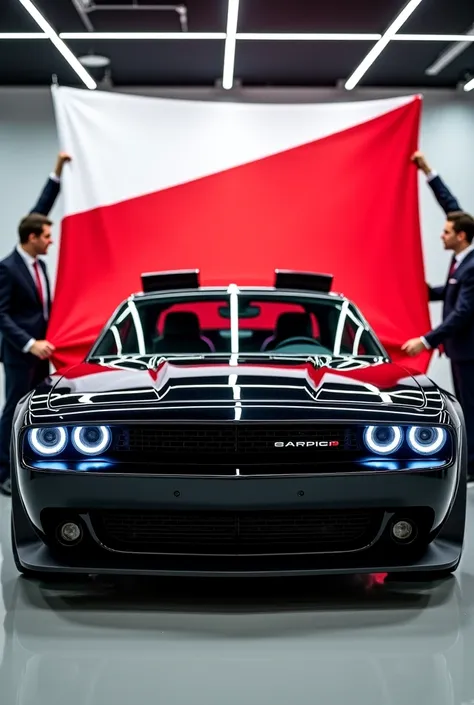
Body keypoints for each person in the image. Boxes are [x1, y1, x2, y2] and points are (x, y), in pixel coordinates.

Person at [0, 153, 71, 495]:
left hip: (44, 352)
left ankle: (31, 465)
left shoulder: (39, 265)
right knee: (13, 411)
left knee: (38, 411)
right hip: (21, 353)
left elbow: (41, 208)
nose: (51, 239)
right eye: (46, 235)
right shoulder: (8, 268)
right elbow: (1, 316)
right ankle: (3, 473)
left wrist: (57, 172)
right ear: (31, 238)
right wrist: (30, 343)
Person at [402, 155, 474, 481]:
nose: (441, 234)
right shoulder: (463, 257)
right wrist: (428, 172)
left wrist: (427, 340)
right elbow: (453, 207)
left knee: (470, 409)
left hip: (468, 351)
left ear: (461, 236)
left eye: (447, 231)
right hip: (462, 351)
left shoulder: (471, 266)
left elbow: (463, 311)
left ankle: (471, 468)